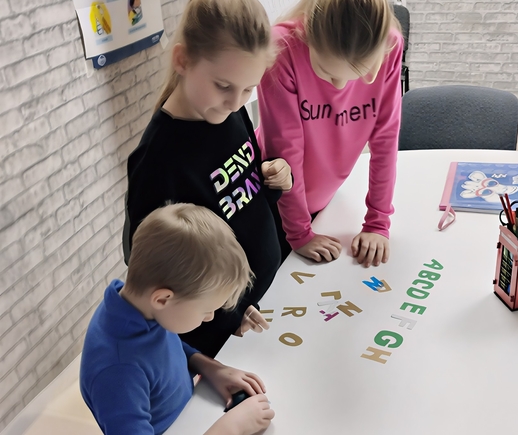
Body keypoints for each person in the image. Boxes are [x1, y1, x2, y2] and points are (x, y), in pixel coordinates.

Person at [124, 0, 292, 357]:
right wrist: (226, 314)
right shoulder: (158, 158)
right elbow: (153, 270)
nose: (236, 102)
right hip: (214, 334)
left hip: (263, 304)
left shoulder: (229, 113)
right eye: (223, 85)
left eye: (248, 89)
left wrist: (273, 179)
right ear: (183, 60)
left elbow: (243, 196)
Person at [80, 203, 275, 435]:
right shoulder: (117, 373)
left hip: (188, 412)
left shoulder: (137, 306)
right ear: (163, 299)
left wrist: (211, 368)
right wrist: (232, 428)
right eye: (206, 310)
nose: (210, 317)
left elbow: (164, 345)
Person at [257, 0, 403, 268]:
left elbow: (386, 138)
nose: (339, 86)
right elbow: (285, 152)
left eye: (357, 73)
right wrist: (299, 233)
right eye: (326, 72)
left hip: (325, 201)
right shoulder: (282, 46)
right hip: (274, 202)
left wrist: (378, 222)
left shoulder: (389, 44)